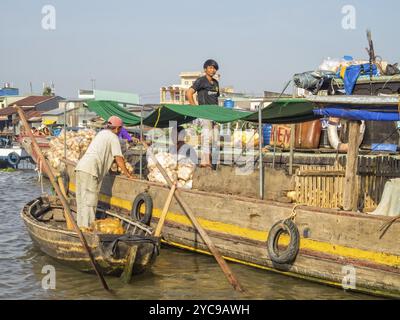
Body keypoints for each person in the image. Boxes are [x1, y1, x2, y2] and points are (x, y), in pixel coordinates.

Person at [75, 116, 134, 229]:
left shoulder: (101, 134)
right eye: (120, 129)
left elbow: (106, 154)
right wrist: (128, 174)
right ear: (117, 128)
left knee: (81, 201)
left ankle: (80, 228)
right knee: (90, 202)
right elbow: (118, 158)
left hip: (80, 168)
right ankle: (88, 229)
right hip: (91, 170)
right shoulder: (113, 138)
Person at [186, 59, 220, 168]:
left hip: (215, 114)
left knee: (216, 139)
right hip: (204, 114)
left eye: (214, 68)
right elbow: (189, 93)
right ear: (205, 69)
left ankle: (215, 162)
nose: (212, 70)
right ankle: (205, 162)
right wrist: (196, 109)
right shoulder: (201, 80)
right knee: (206, 137)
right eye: (210, 67)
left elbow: (215, 99)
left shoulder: (216, 83)